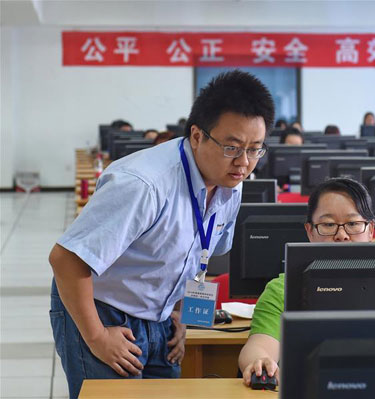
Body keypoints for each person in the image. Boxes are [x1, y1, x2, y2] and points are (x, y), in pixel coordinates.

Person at [48, 70, 275, 399]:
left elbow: (201, 256)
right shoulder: (143, 184)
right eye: (232, 147)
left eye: (255, 149)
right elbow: (66, 260)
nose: (243, 163)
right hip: (103, 309)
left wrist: (185, 315)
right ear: (197, 135)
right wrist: (97, 336)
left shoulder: (230, 185)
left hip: (159, 315)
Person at [238, 178, 375, 387]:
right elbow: (260, 345)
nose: (341, 235)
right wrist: (259, 361)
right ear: (310, 231)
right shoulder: (283, 289)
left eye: (353, 224)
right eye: (328, 225)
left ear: (371, 230)